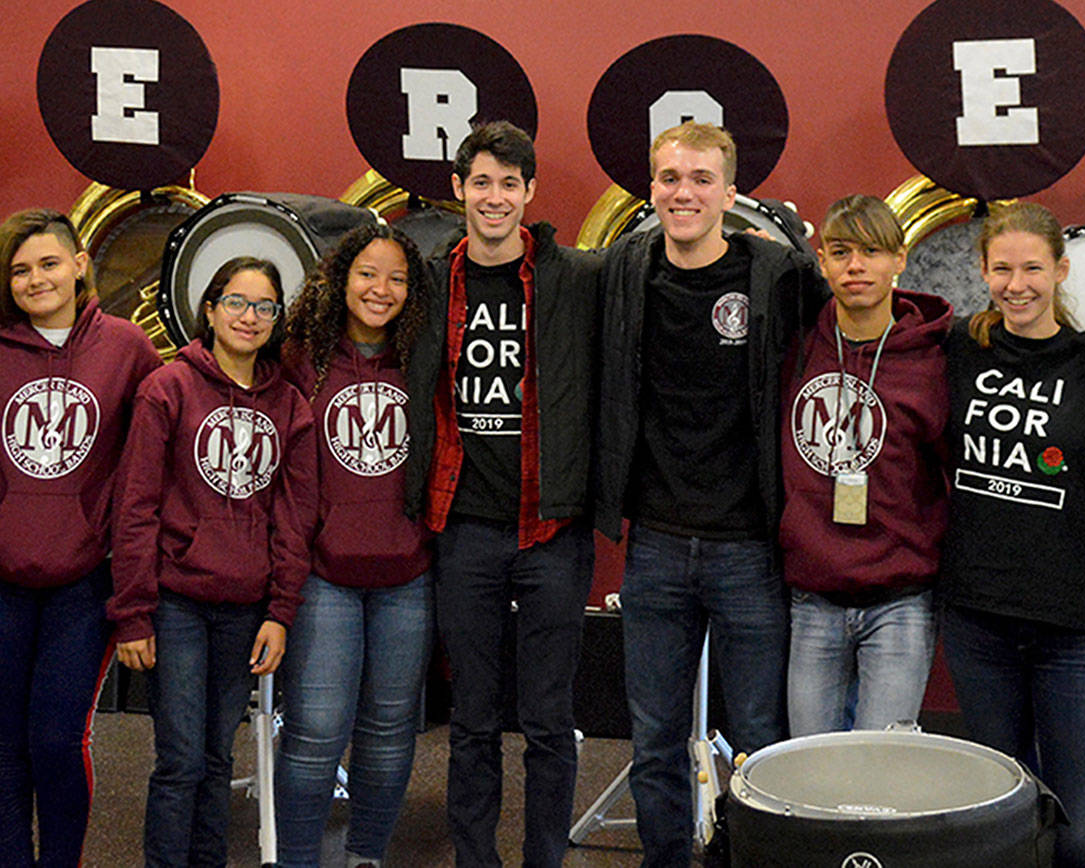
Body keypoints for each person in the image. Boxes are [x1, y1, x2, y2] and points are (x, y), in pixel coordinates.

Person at [593, 121, 825, 866]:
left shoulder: (777, 276)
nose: (682, 192)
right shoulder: (624, 270)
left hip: (750, 547)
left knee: (760, 737)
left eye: (699, 179)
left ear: (730, 192)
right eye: (668, 178)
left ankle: (744, 859)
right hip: (655, 543)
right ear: (650, 187)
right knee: (654, 735)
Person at [403, 121, 600, 868]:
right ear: (457, 190)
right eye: (480, 182)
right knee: (473, 722)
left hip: (550, 530)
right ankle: (474, 860)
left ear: (530, 193)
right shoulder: (428, 279)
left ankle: (545, 857)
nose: (494, 198)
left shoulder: (571, 278)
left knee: (549, 721)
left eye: (509, 184)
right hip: (465, 529)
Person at [939, 201, 1085, 868]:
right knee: (1003, 814)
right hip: (976, 615)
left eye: (1031, 269)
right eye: (1001, 269)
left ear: (1060, 269)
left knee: (1079, 832)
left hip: (1071, 619)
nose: (1015, 284)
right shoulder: (959, 347)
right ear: (983, 272)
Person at [109, 257, 316, 867]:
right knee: (179, 759)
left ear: (277, 319)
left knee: (219, 758)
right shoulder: (167, 388)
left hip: (246, 606)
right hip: (176, 603)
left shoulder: (289, 404)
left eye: (264, 307)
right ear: (209, 309)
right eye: (236, 302)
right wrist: (133, 614)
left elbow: (293, 518)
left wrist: (281, 611)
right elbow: (136, 505)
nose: (249, 318)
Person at [0, 208, 160, 867]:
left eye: (47, 262)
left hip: (84, 581)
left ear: (79, 264)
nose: (36, 279)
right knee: (5, 744)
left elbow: (160, 454)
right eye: (19, 270)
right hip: (3, 581)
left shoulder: (126, 348)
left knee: (59, 740)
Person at [275, 224, 435, 867]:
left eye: (398, 278)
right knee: (314, 735)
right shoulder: (298, 358)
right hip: (323, 576)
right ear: (340, 279)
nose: (381, 290)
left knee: (389, 734)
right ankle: (296, 861)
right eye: (368, 273)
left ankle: (366, 856)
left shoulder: (426, 358)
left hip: (408, 575)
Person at [780, 194, 950, 736]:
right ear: (822, 261)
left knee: (882, 771)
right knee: (808, 768)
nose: (857, 267)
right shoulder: (796, 342)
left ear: (900, 259)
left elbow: (955, 472)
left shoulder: (934, 358)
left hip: (900, 602)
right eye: (842, 252)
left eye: (873, 251)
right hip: (813, 597)